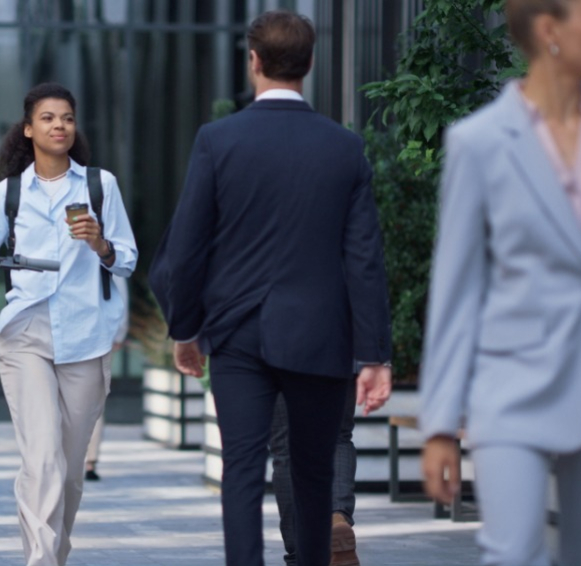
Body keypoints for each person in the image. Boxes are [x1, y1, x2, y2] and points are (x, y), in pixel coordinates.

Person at [149, 10, 392, 566]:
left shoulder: (218, 140)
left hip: (237, 338)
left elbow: (187, 248)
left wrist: (185, 329)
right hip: (320, 337)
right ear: (308, 65)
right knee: (312, 472)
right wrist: (374, 353)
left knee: (241, 468)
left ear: (253, 61)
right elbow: (364, 259)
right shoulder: (343, 147)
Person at [0, 82, 137, 566]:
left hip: (86, 338)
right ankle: (40, 561)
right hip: (25, 336)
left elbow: (127, 260)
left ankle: (52, 555)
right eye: (49, 118)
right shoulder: (8, 195)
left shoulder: (101, 186)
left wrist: (100, 243)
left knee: (71, 471)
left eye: (68, 118)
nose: (60, 125)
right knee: (42, 461)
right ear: (29, 129)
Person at [419, 1, 581, 564]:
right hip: (513, 384)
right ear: (550, 30)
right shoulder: (481, 141)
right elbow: (456, 288)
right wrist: (440, 424)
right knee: (513, 554)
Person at [270, 387, 362, 566]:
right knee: (338, 437)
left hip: (277, 360)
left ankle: (298, 554)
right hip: (339, 361)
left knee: (285, 448)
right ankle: (338, 515)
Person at [84, 276, 129, 481]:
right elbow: (119, 292)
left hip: (74, 332)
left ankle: (71, 457)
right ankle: (89, 460)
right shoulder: (102, 245)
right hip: (99, 333)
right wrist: (119, 333)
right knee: (93, 400)